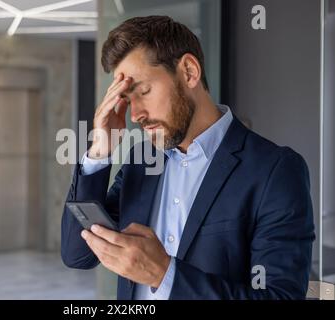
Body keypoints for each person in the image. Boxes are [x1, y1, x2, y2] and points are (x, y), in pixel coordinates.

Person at [61, 15, 315, 300]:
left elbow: (280, 296)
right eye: (128, 100)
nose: (136, 115)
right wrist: (99, 151)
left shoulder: (275, 170)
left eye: (144, 91)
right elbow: (77, 254)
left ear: (190, 72)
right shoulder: (142, 160)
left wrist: (165, 275)